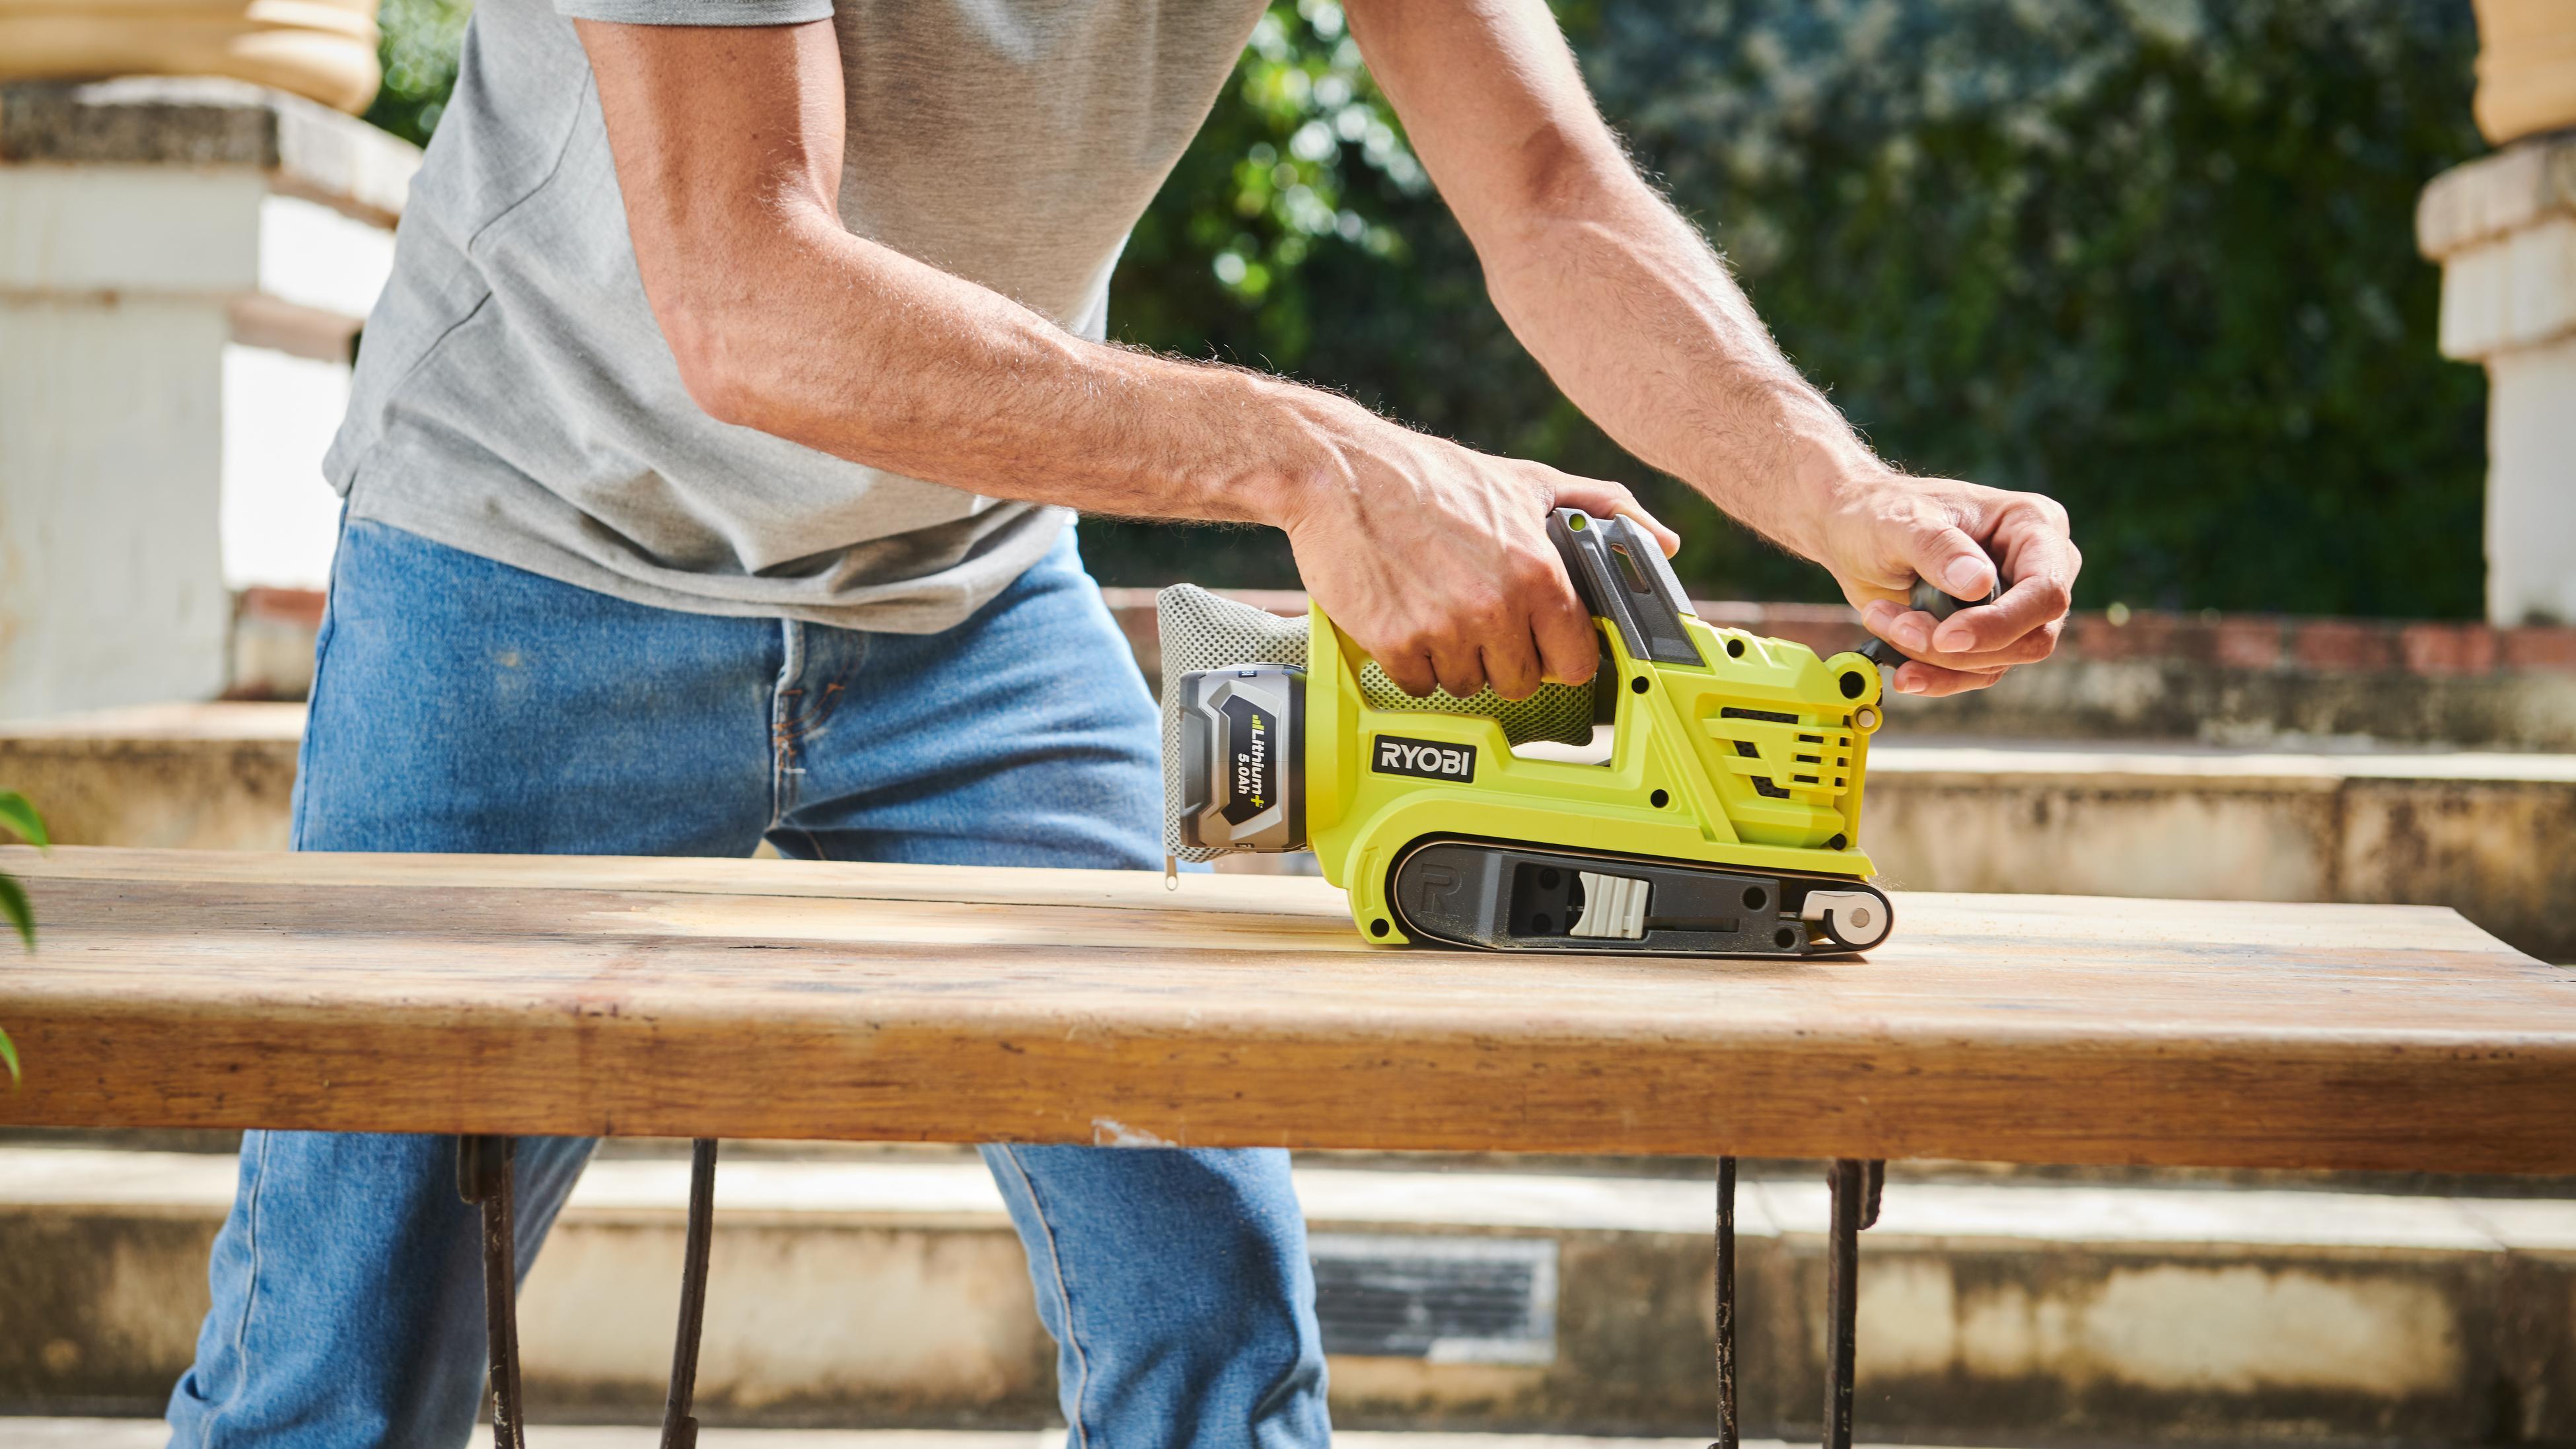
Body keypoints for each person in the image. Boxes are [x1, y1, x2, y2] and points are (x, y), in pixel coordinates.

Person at [166, 0, 2081, 1444]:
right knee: (336, 1373)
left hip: (970, 605)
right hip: (527, 572)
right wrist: (1313, 457)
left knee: (1212, 1321)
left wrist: (1831, 489)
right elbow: (747, 291)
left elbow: (1551, 188)